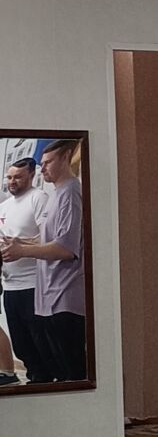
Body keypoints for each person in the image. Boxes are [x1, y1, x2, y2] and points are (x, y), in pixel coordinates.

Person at [0, 140, 86, 381]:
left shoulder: (60, 194)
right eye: (9, 177)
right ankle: (41, 383)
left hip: (54, 289)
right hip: (31, 288)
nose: (43, 168)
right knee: (28, 346)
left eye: (48, 162)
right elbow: (46, 237)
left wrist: (22, 250)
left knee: (63, 360)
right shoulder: (55, 194)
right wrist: (19, 243)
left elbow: (65, 247)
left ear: (66, 157)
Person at [0, 157, 53, 383]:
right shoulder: (4, 206)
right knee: (21, 342)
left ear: (32, 175)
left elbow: (51, 238)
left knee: (40, 339)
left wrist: (21, 247)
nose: (12, 181)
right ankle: (34, 378)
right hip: (10, 283)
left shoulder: (38, 198)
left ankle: (47, 381)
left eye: (18, 177)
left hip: (33, 282)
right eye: (9, 177)